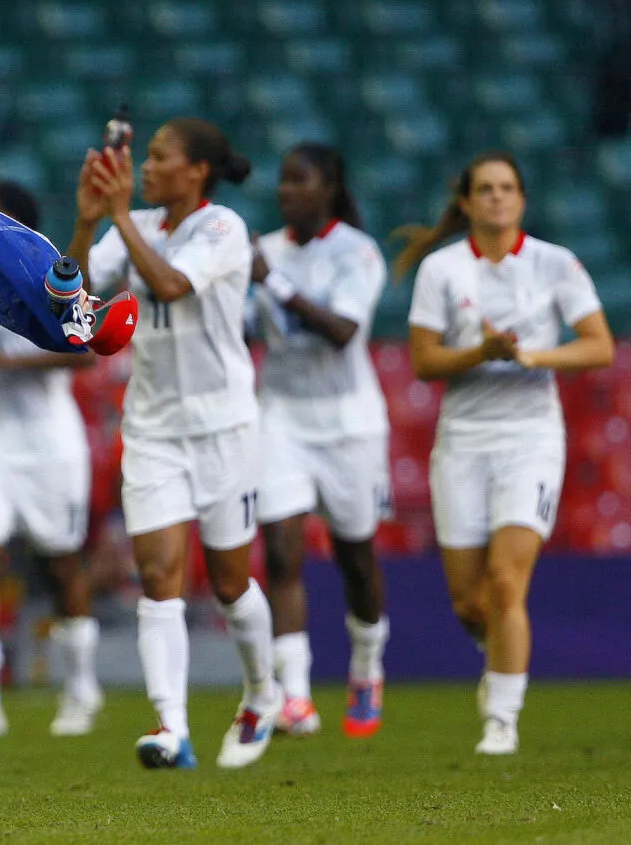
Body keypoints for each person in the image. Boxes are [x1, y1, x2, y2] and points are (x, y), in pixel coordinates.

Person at [66, 117, 279, 770]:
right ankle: (171, 726)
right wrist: (86, 220)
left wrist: (123, 216)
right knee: (158, 575)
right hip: (154, 426)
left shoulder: (223, 229)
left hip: (224, 427)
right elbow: (71, 293)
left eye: (160, 158)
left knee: (229, 580)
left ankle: (262, 694)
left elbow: (170, 285)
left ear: (197, 172)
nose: (147, 167)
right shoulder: (138, 226)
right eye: (147, 157)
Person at [397, 151, 613, 755]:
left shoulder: (553, 263)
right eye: (485, 189)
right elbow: (423, 360)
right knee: (470, 602)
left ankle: (502, 720)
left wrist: (535, 356)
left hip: (530, 439)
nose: (497, 198)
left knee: (505, 579)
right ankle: (496, 658)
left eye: (507, 188)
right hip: (462, 441)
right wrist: (482, 352)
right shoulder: (441, 269)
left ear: (521, 199)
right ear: (466, 203)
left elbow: (597, 346)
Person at [0, 179, 101, 739]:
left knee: (60, 567)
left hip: (47, 441)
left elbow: (86, 356)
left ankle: (82, 686)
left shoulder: (54, 277)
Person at [250, 143, 392, 740]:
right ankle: (296, 696)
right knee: (282, 552)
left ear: (328, 187)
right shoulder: (262, 249)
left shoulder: (357, 253)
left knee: (355, 555)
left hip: (349, 423)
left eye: (299, 181)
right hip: (279, 415)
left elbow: (342, 332)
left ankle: (366, 665)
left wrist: (274, 286)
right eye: (282, 180)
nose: (286, 191)